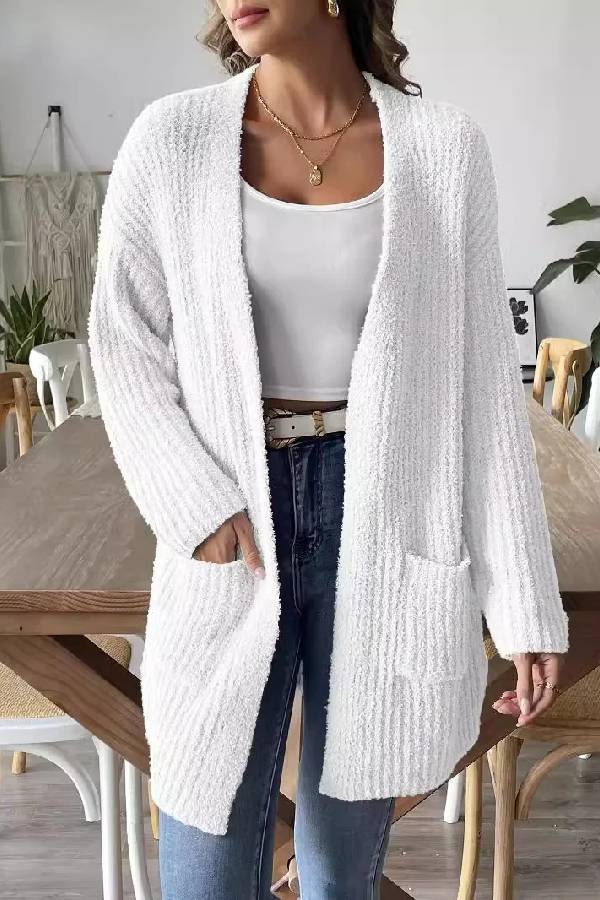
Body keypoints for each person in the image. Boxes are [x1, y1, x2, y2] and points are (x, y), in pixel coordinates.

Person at [87, 1, 569, 897]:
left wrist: (525, 606)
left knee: (342, 873)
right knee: (206, 862)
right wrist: (192, 501)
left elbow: (482, 392)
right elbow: (122, 341)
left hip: (386, 514)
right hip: (237, 515)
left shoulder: (444, 149)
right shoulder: (173, 138)